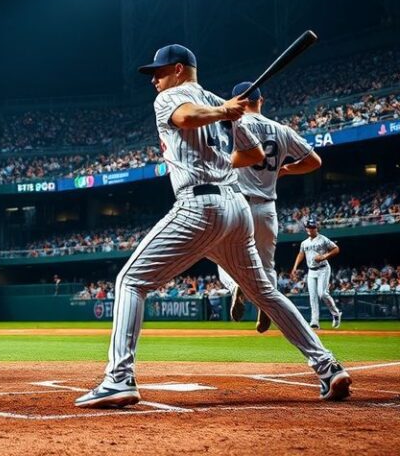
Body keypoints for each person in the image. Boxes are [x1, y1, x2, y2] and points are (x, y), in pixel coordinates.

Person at [74, 45, 351, 409]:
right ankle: (328, 367)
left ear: (178, 69)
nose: (154, 80)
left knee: (130, 281)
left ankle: (119, 379)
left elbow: (186, 117)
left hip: (200, 205)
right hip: (236, 208)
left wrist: (223, 115)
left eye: (158, 72)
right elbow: (253, 155)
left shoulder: (175, 97)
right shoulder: (221, 103)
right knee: (265, 293)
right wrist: (223, 125)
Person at [216, 82, 322, 332]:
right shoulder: (282, 130)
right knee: (266, 266)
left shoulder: (234, 125)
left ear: (239, 102)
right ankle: (266, 307)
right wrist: (285, 169)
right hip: (267, 208)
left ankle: (236, 286)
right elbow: (314, 161)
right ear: (261, 100)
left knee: (219, 256)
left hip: (238, 203)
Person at [291, 218, 342, 329]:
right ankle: (314, 321)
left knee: (322, 294)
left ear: (316, 228)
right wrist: (295, 267)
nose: (311, 229)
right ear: (306, 229)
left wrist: (324, 256)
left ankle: (336, 313)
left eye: (313, 227)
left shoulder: (323, 239)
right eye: (309, 227)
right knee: (313, 297)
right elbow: (301, 254)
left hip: (323, 269)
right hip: (311, 271)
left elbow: (336, 249)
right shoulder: (304, 243)